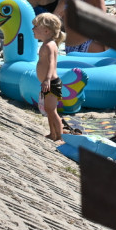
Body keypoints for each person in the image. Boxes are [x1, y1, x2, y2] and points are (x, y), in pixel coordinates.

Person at [33, 13, 65, 141]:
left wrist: (46, 79)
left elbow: (52, 63)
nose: (33, 29)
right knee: (48, 109)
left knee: (52, 110)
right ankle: (53, 134)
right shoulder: (47, 44)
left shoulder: (49, 45)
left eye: (36, 27)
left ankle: (61, 137)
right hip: (48, 82)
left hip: (51, 82)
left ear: (46, 31)